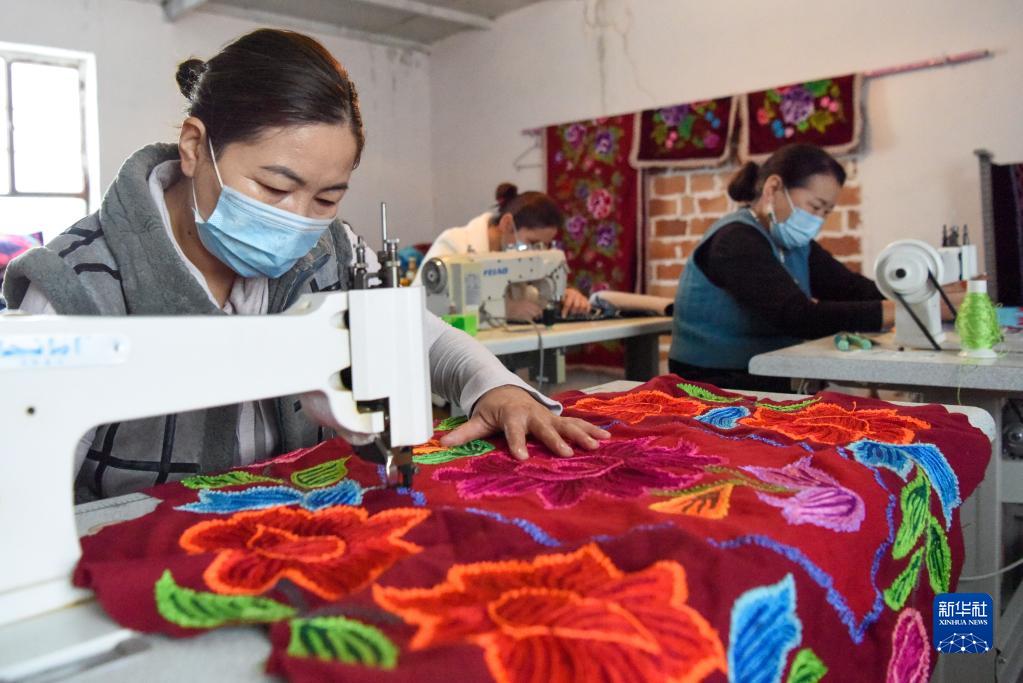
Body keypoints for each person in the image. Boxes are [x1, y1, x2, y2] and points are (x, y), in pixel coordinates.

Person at [1, 29, 608, 500]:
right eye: (274, 187)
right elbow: (22, 491)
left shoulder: (334, 250)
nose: (298, 219)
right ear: (194, 148)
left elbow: (417, 338)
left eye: (327, 198)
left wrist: (496, 386)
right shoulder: (75, 288)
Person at [669, 143, 961, 392]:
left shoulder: (793, 244)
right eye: (815, 206)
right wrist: (914, 309)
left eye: (826, 212)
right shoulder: (734, 241)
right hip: (714, 383)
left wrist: (927, 293)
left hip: (761, 373)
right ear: (773, 188)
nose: (818, 219)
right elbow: (799, 316)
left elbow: (851, 288)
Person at [414, 183, 590, 320]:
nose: (537, 252)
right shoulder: (454, 244)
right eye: (533, 243)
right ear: (507, 225)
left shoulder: (514, 257)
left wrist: (567, 295)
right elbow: (420, 309)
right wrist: (503, 310)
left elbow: (533, 291)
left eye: (543, 246)